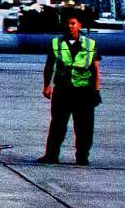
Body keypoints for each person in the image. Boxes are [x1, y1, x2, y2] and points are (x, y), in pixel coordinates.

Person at [40, 12, 102, 165]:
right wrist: (47, 86)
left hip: (84, 90)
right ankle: (51, 155)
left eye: (73, 23)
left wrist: (96, 90)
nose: (70, 26)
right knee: (57, 124)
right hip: (63, 90)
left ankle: (82, 156)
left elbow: (95, 69)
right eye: (67, 23)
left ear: (79, 25)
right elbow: (49, 66)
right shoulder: (56, 43)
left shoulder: (90, 44)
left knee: (84, 126)